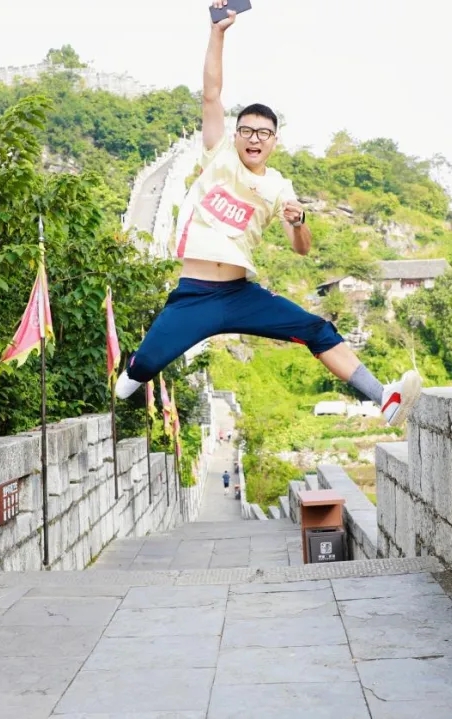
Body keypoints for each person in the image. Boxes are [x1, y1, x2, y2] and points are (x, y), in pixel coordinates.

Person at [114, 0, 422, 428]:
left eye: (263, 133)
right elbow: (211, 93)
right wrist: (218, 32)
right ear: (236, 135)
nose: (254, 138)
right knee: (136, 375)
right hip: (194, 295)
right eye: (247, 130)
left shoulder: (279, 187)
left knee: (317, 329)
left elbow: (301, 248)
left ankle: (383, 398)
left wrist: (299, 223)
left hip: (240, 295)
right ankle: (130, 376)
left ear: (274, 141)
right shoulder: (218, 154)